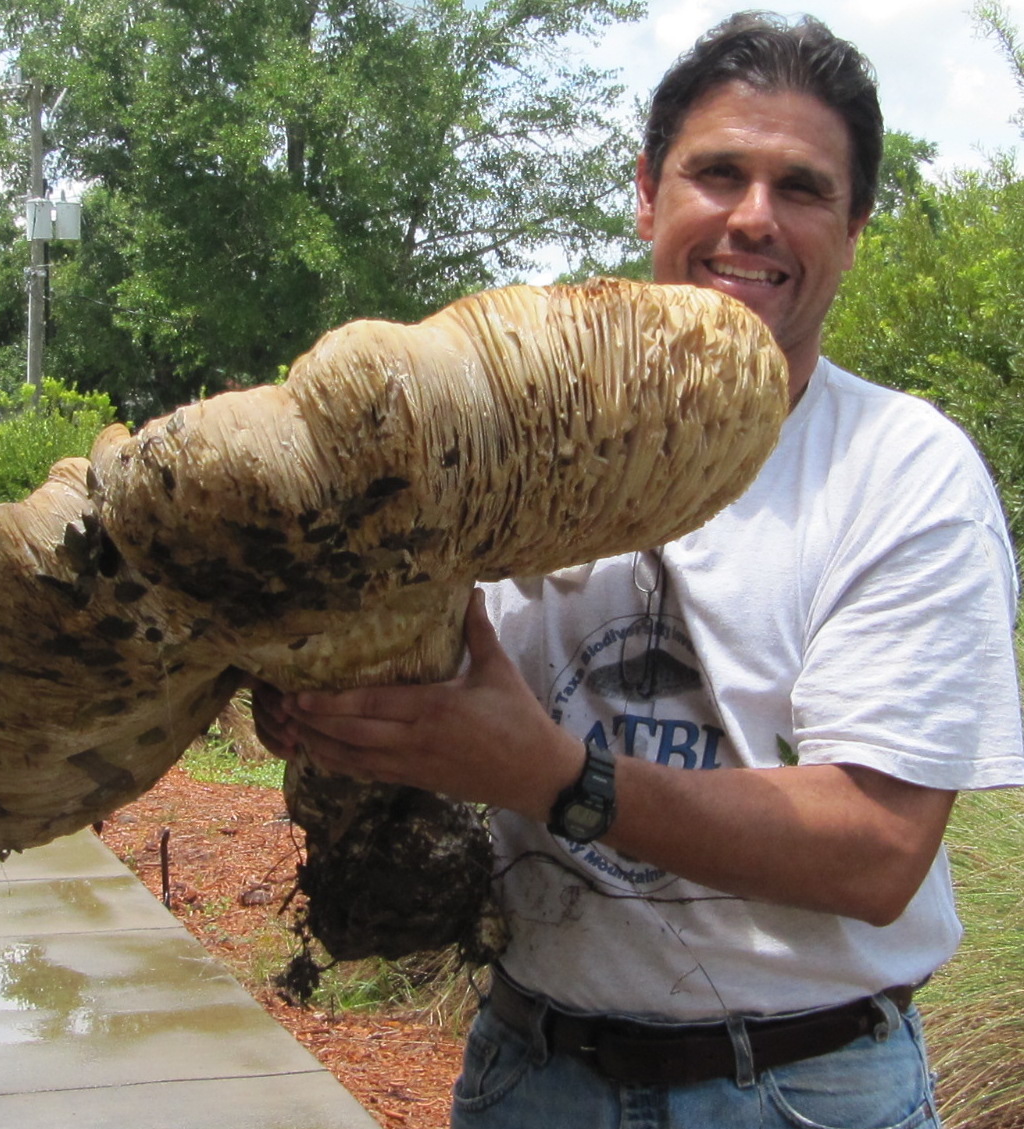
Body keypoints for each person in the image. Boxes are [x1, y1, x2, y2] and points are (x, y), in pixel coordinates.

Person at [254, 12, 1024, 1128]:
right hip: (533, 1066)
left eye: (801, 188)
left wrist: (559, 777)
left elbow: (875, 850)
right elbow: (451, 703)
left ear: (854, 228)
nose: (752, 218)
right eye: (718, 172)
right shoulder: (509, 433)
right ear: (646, 193)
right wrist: (339, 714)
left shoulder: (902, 473)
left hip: (802, 1087)